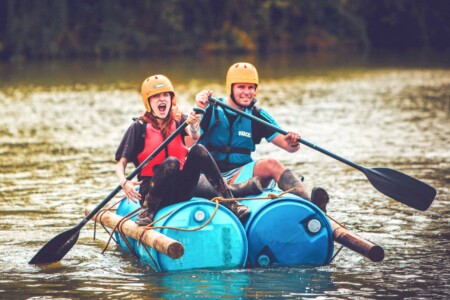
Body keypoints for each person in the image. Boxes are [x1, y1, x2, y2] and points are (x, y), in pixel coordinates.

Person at [115, 74, 256, 226]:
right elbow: (120, 164)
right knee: (172, 162)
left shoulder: (180, 120)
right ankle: (148, 210)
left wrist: (195, 123)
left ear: (171, 99)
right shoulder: (139, 127)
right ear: (148, 102)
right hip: (152, 191)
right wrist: (124, 182)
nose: (162, 99)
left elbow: (195, 136)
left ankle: (230, 202)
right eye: (156, 96)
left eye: (165, 95)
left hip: (181, 190)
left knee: (199, 150)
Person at [194, 62, 330, 212]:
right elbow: (188, 141)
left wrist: (293, 141)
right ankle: (237, 194)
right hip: (208, 178)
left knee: (272, 164)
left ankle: (310, 205)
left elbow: (288, 146)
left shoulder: (257, 115)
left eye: (251, 87)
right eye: (241, 87)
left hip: (239, 175)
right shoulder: (210, 109)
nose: (247, 92)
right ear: (230, 88)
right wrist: (199, 109)